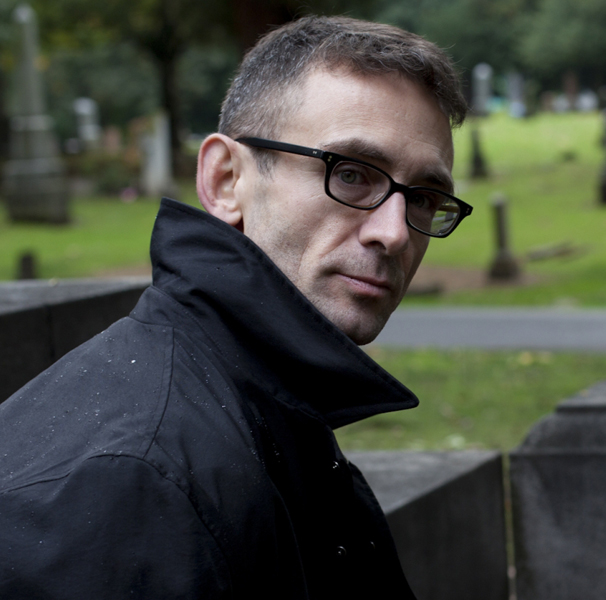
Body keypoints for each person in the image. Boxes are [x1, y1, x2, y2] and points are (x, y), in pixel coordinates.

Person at [0, 14, 471, 599]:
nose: (395, 233)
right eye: (351, 174)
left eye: (423, 198)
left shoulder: (269, 404)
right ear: (226, 181)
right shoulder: (133, 481)